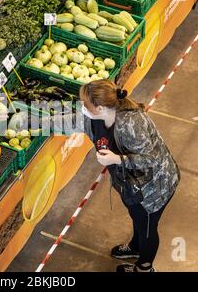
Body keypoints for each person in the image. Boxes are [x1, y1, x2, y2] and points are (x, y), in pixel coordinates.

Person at [80, 80, 180, 272]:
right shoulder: (95, 118)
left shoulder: (132, 124)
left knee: (147, 227)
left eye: (85, 104)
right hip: (132, 187)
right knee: (137, 217)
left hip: (154, 188)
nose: (82, 107)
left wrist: (117, 160)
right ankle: (135, 247)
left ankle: (144, 268)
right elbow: (65, 120)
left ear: (99, 107)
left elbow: (153, 159)